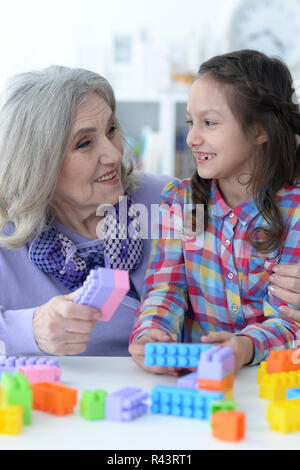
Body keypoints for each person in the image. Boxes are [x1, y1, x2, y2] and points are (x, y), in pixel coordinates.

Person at [129, 49, 300, 375]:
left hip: (269, 382)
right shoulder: (179, 202)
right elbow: (166, 288)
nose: (193, 138)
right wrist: (151, 331)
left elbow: (288, 318)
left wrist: (244, 347)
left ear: (259, 130)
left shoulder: (294, 212)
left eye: (209, 123)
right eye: (191, 122)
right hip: (196, 378)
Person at [0, 65, 171, 357]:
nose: (115, 154)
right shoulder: (7, 238)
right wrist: (30, 329)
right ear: (39, 167)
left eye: (111, 130)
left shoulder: (169, 201)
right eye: (85, 143)